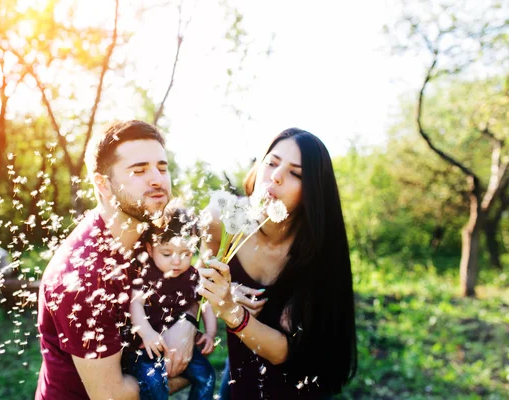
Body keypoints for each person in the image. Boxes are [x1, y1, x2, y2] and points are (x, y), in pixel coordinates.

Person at [35, 120, 198, 400]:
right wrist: (190, 372)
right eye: (139, 170)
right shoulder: (84, 275)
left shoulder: (150, 233)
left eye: (162, 167)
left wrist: (186, 322)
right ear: (104, 184)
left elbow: (190, 277)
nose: (158, 179)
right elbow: (112, 396)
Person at [198, 128, 357, 399]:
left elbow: (285, 351)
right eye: (271, 163)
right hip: (239, 379)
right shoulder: (220, 217)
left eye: (296, 173)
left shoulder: (317, 250)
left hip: (299, 386)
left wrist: (231, 310)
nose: (276, 176)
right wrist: (227, 290)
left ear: (313, 193)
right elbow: (201, 278)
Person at [124, 203, 216, 400]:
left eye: (186, 254)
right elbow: (135, 304)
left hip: (177, 345)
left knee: (206, 376)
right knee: (155, 384)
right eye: (167, 253)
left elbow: (204, 303)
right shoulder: (146, 274)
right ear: (150, 249)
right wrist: (147, 333)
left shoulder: (192, 276)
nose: (177, 261)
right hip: (146, 348)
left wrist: (210, 333)